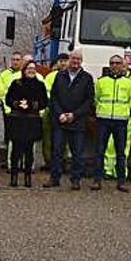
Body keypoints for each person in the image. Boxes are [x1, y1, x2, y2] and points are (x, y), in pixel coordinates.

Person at [45, 49, 94, 190]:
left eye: (78, 59)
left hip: (77, 122)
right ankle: (55, 178)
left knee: (77, 153)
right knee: (57, 152)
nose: (75, 61)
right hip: (60, 121)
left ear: (81, 61)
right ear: (69, 60)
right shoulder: (60, 76)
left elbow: (89, 101)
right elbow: (54, 97)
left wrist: (74, 114)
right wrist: (60, 113)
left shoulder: (87, 78)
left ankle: (76, 179)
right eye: (73, 59)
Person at [94, 55, 131, 192]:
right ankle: (97, 180)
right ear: (109, 65)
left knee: (121, 153)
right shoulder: (101, 81)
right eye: (112, 63)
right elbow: (96, 98)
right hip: (103, 120)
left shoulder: (129, 83)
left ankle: (121, 182)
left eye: (118, 63)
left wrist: (123, 111)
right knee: (100, 151)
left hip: (120, 121)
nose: (115, 66)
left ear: (122, 65)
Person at [5, 60, 48, 187]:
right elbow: (8, 100)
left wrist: (31, 105)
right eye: (29, 68)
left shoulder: (40, 85)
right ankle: (14, 176)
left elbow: (44, 102)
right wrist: (17, 104)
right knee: (16, 151)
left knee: (29, 151)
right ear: (24, 70)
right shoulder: (16, 83)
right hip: (17, 120)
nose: (31, 70)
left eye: (33, 68)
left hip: (31, 121)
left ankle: (27, 177)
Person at [103, 60, 131, 180]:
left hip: (124, 118)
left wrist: (125, 110)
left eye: (123, 66)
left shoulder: (130, 82)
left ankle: (121, 172)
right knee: (109, 145)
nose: (121, 68)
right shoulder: (105, 80)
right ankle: (108, 169)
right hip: (108, 117)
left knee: (124, 147)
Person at [42, 53, 69, 168]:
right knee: (48, 138)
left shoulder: (72, 76)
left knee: (64, 139)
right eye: (61, 60)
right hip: (51, 110)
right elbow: (47, 92)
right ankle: (49, 161)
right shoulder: (51, 76)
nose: (63, 63)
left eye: (65, 60)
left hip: (66, 111)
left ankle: (63, 161)